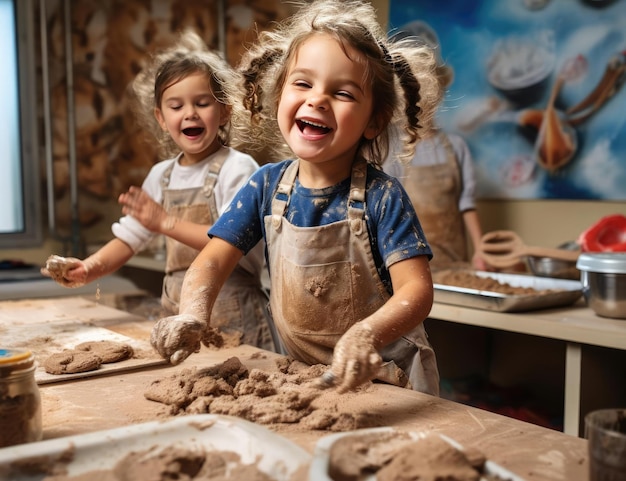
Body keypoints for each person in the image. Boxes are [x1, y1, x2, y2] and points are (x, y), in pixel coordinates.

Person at [150, 0, 444, 395]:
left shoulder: (383, 196)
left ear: (374, 121)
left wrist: (366, 335)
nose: (317, 100)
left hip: (389, 377)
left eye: (342, 92)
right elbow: (211, 261)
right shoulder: (265, 186)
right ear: (278, 98)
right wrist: (193, 313)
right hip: (306, 379)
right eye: (303, 83)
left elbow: (416, 291)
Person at [41, 29, 277, 352]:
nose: (189, 113)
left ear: (224, 111)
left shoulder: (238, 169)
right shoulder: (161, 176)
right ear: (161, 119)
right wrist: (89, 268)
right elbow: (130, 237)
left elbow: (231, 244)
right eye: (176, 106)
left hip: (234, 315)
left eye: (202, 103)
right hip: (176, 312)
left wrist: (166, 223)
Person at [384, 21, 488, 271]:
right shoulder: (395, 148)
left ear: (440, 89)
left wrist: (481, 250)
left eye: (430, 88)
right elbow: (389, 212)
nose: (423, 97)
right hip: (411, 261)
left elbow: (466, 203)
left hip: (455, 260)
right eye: (414, 89)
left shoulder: (456, 147)